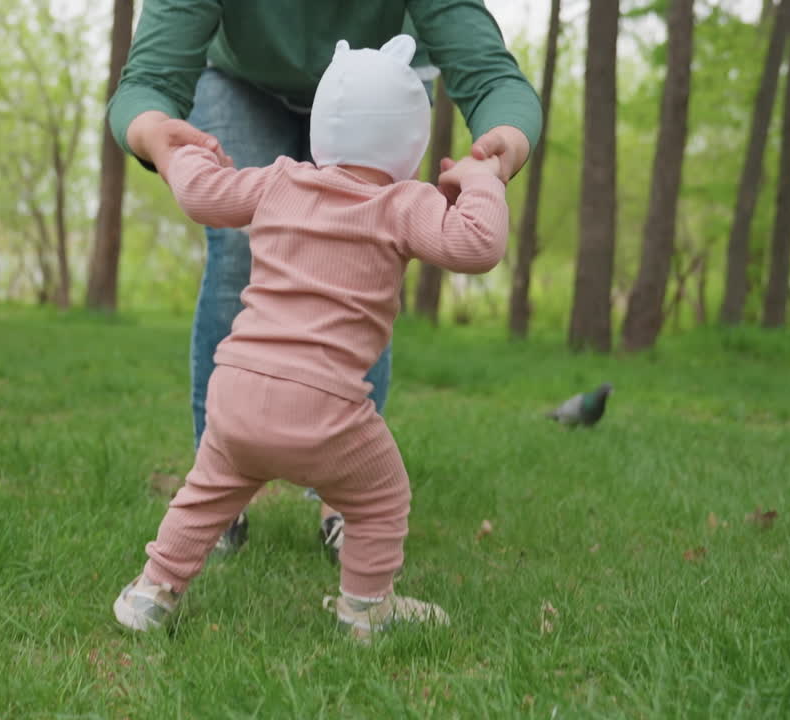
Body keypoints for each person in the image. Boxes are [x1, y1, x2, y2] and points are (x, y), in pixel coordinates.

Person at [108, 1, 542, 559]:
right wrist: (157, 136)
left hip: (381, 81)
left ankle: (345, 496)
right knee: (239, 245)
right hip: (242, 79)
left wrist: (501, 149)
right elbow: (147, 82)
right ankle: (217, 491)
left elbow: (491, 78)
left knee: (370, 247)